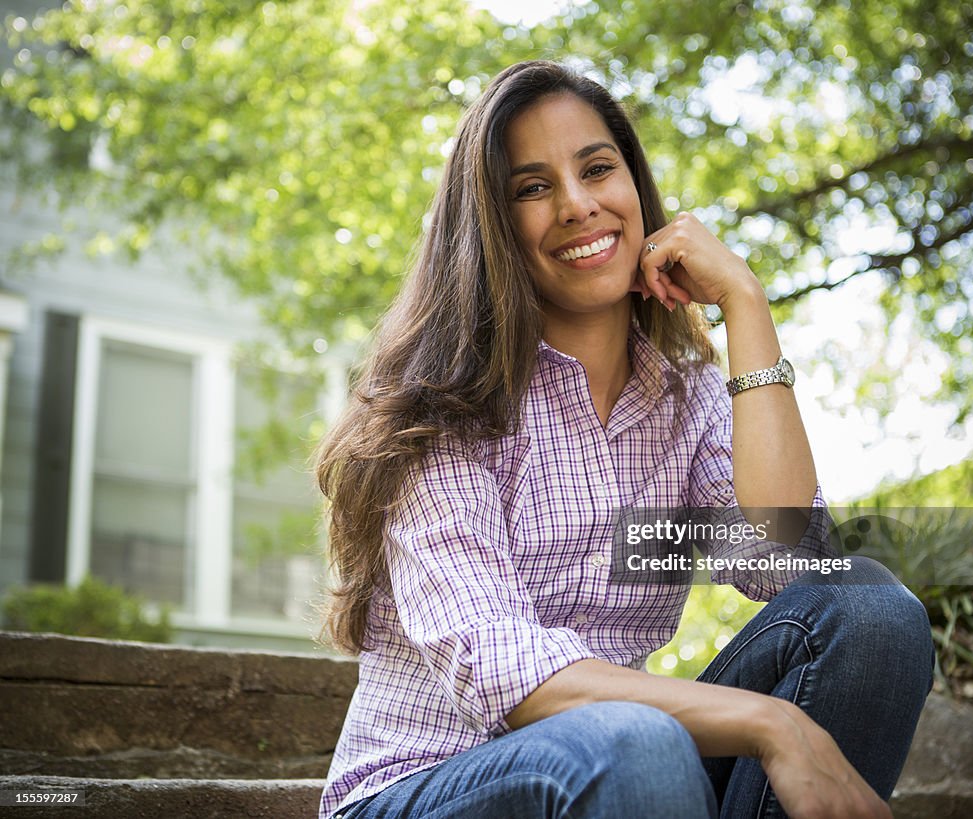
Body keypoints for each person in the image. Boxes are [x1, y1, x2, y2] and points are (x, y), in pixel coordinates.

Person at [316, 60, 933, 819]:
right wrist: (771, 720)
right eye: (532, 187)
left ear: (634, 187)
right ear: (494, 225)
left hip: (633, 778)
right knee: (635, 741)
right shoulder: (439, 404)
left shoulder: (685, 398)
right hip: (428, 784)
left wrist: (745, 304)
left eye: (597, 168)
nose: (577, 205)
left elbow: (792, 562)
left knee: (871, 612)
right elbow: (503, 670)